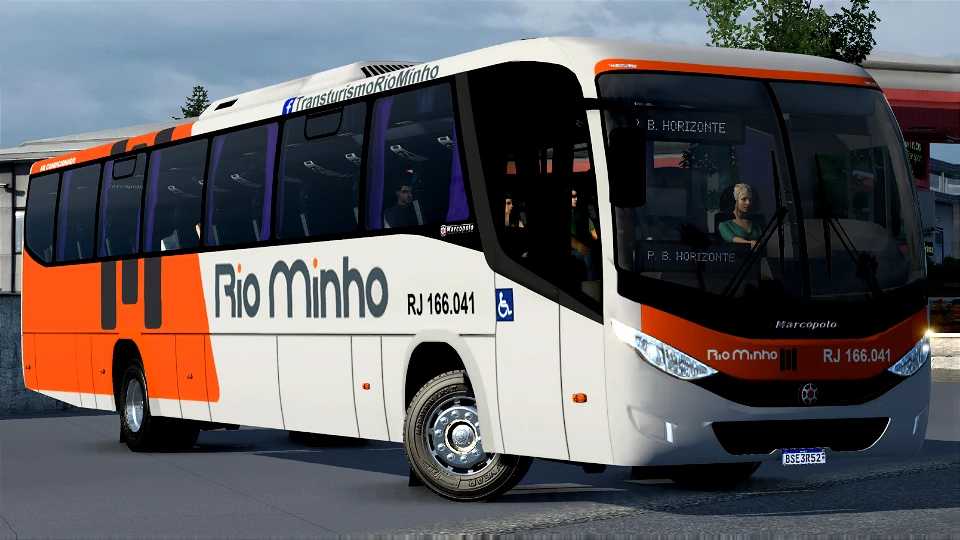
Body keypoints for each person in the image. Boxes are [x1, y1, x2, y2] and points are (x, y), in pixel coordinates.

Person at [719, 183, 761, 249]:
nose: (748, 203)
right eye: (744, 199)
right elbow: (732, 238)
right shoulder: (724, 225)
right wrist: (750, 243)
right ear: (735, 201)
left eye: (750, 200)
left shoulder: (756, 224)